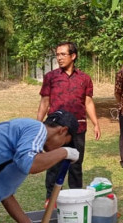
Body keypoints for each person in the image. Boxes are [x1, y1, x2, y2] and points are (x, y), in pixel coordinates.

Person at [37, 41, 101, 204]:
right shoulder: (50, 77)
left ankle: (76, 199)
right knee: (53, 164)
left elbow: (88, 102)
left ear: (73, 56)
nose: (59, 58)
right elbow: (45, 102)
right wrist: (38, 125)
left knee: (76, 164)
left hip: (78, 127)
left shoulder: (84, 79)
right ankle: (50, 199)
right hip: (55, 130)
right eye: (57, 54)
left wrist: (96, 123)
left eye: (63, 54)